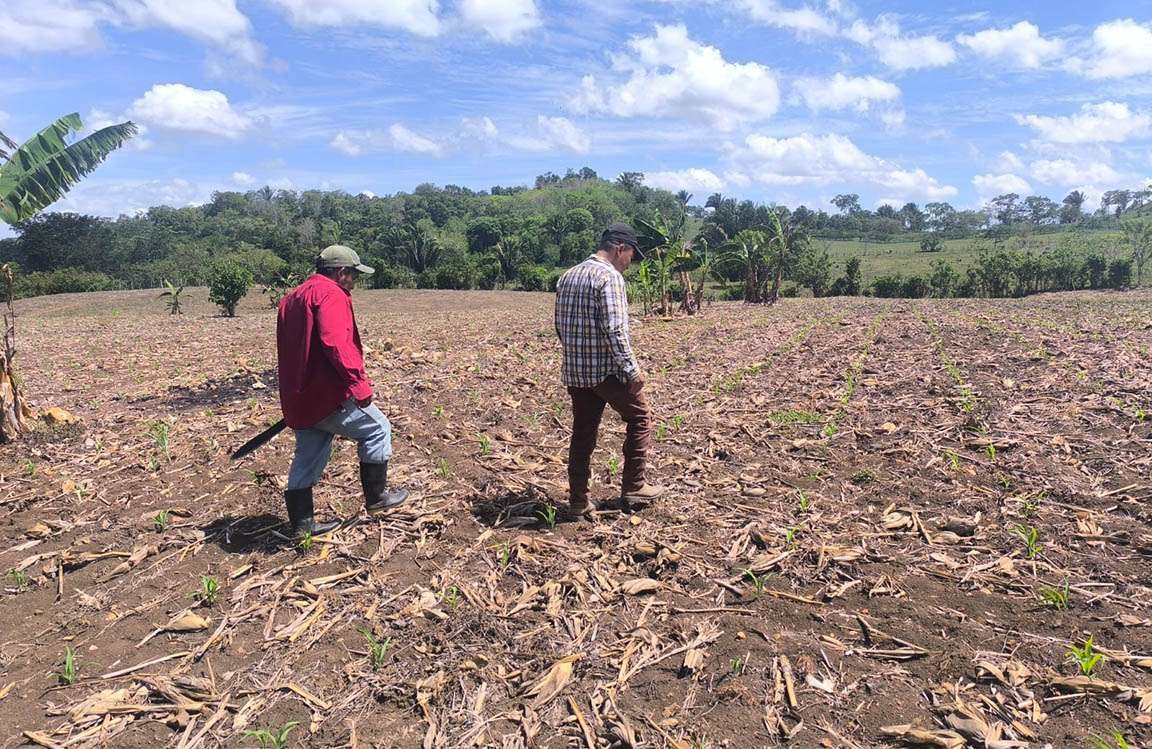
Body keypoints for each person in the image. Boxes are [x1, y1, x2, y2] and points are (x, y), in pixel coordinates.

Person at [276, 245, 408, 537]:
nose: (355, 282)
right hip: (327, 395)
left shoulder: (292, 298)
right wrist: (358, 384)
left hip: (299, 397)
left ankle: (302, 525)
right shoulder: (331, 294)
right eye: (354, 276)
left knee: (307, 455)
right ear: (341, 272)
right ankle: (377, 498)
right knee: (378, 429)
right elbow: (335, 343)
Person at [554, 222, 665, 516]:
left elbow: (560, 326)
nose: (629, 263)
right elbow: (615, 330)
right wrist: (632, 370)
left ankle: (579, 501)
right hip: (607, 372)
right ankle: (635, 486)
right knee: (640, 418)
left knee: (583, 433)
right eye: (630, 256)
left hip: (577, 372)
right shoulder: (609, 277)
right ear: (619, 248)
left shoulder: (568, 276)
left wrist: (575, 356)